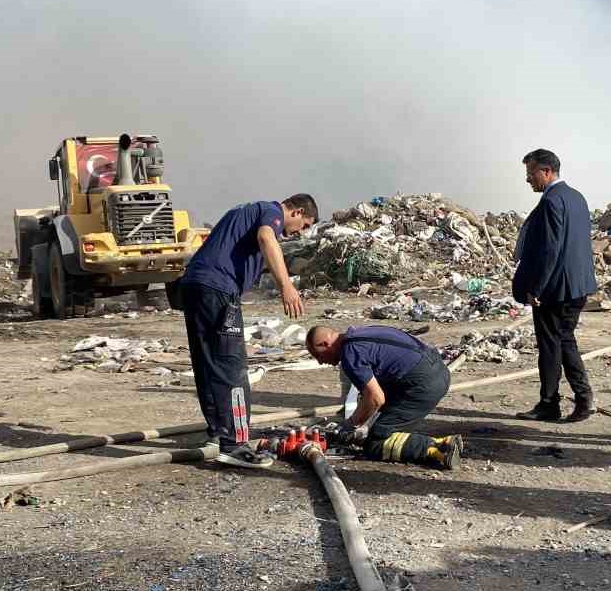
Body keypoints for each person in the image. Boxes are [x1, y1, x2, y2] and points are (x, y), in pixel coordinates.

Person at [175, 194, 318, 467]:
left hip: (194, 285)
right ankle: (236, 444)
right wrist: (286, 286)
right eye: (304, 225)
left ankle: (217, 433)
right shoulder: (270, 213)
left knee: (208, 363)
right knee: (232, 366)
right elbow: (267, 238)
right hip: (218, 289)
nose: (298, 232)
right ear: (297, 212)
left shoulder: (243, 211)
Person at [512, 148, 599, 422]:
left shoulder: (552, 201)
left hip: (556, 289)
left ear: (546, 171)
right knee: (564, 341)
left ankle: (552, 403)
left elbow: (551, 249)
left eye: (531, 173)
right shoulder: (576, 197)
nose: (528, 180)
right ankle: (581, 401)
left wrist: (536, 287)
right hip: (578, 285)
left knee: (552, 346)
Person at [305, 325, 463, 469]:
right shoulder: (362, 332)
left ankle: (440, 447)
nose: (320, 362)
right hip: (438, 370)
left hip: (423, 385)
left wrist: (351, 424)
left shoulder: (350, 353)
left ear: (325, 344)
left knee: (376, 443)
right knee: (379, 420)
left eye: (317, 355)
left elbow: (376, 398)